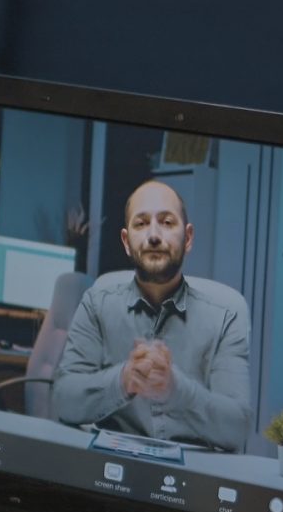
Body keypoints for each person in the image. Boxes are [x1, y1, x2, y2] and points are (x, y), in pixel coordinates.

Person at [50, 179, 254, 451]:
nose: (154, 235)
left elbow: (236, 427)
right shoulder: (97, 301)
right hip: (109, 467)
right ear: (126, 241)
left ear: (188, 238)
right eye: (141, 223)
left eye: (167, 223)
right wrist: (123, 380)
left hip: (192, 479)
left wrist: (176, 390)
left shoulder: (227, 314)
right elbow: (63, 399)